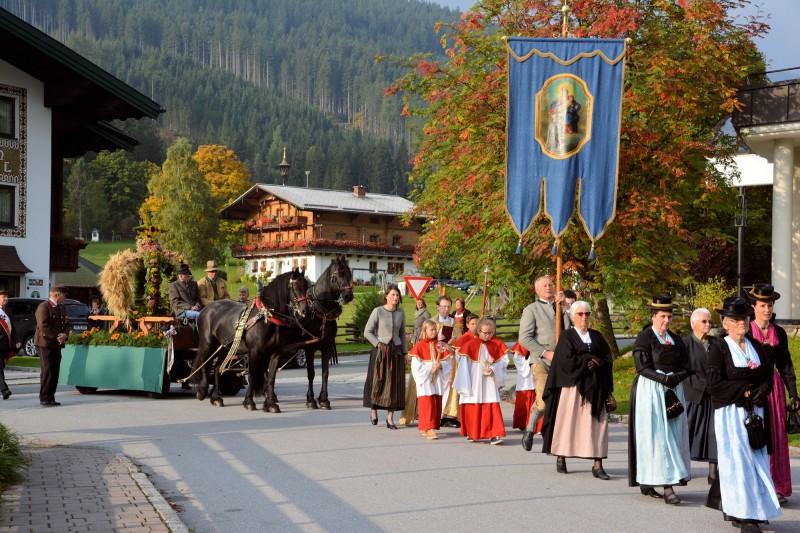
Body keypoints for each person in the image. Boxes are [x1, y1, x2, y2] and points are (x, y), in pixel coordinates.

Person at [705, 297, 781, 532]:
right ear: (726, 323)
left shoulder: (755, 345)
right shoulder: (719, 347)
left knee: (757, 462)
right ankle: (743, 514)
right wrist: (745, 392)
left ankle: (754, 510)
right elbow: (714, 385)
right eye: (737, 319)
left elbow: (768, 375)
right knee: (738, 463)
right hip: (731, 415)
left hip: (756, 413)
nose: (743, 323)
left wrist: (762, 391)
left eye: (745, 318)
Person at [627, 295, 691, 504]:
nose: (666, 320)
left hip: (673, 390)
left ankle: (656, 479)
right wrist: (663, 378)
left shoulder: (676, 340)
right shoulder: (645, 337)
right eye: (662, 316)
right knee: (656, 437)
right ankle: (666, 486)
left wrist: (675, 378)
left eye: (669, 316)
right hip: (651, 390)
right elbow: (641, 367)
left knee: (673, 435)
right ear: (653, 316)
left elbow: (687, 367)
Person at [541, 301, 613, 479]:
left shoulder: (597, 336)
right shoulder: (567, 336)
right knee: (568, 424)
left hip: (596, 387)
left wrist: (598, 362)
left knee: (598, 425)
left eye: (587, 314)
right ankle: (561, 456)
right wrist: (588, 359)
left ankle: (598, 464)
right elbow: (564, 361)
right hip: (573, 388)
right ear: (573, 317)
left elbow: (607, 356)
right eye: (580, 314)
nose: (584, 317)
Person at [747, 283, 800, 505]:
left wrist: (794, 395)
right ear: (754, 306)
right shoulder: (747, 329)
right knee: (757, 436)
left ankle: (777, 487)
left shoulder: (778, 331)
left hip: (775, 391)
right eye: (762, 305)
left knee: (777, 438)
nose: (766, 310)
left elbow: (786, 364)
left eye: (769, 305)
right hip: (753, 389)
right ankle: (756, 485)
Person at [519, 275, 571, 451]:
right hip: (541, 360)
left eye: (551, 284)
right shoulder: (531, 309)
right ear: (537, 290)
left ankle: (558, 435)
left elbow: (571, 329)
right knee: (543, 399)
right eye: (545, 285)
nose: (549, 287)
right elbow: (524, 338)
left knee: (563, 399)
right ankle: (530, 429)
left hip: (562, 360)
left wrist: (565, 307)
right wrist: (545, 353)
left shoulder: (561, 307)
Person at [453, 317, 509, 444]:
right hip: (473, 381)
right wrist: (465, 383)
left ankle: (495, 434)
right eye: (485, 332)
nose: (488, 335)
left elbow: (502, 363)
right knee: (473, 405)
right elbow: (463, 365)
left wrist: (494, 368)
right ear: (478, 331)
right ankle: (473, 433)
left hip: (488, 381)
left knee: (491, 405)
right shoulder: (468, 346)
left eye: (490, 333)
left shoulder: (494, 346)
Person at [682, 308, 719, 485]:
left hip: (715, 395)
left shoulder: (716, 343)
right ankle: (682, 470)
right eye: (704, 321)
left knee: (715, 433)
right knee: (687, 432)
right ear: (693, 323)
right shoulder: (685, 344)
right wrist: (703, 386)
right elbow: (683, 371)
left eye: (710, 321)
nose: (708, 324)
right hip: (694, 395)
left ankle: (713, 473)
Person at [362, 285, 407, 429]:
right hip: (381, 350)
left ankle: (390, 418)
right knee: (378, 381)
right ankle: (373, 410)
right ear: (386, 296)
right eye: (393, 294)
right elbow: (367, 332)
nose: (395, 297)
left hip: (396, 351)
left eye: (397, 295)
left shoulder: (401, 313)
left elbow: (402, 335)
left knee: (394, 384)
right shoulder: (378, 311)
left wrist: (405, 353)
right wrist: (377, 344)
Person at [408, 319, 452, 440]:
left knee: (435, 402)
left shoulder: (439, 345)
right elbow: (416, 366)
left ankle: (427, 426)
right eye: (431, 330)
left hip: (437, 378)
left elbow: (448, 361)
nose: (434, 332)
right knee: (427, 404)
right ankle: (429, 428)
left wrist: (441, 365)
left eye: (435, 330)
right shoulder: (419, 346)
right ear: (425, 331)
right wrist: (429, 369)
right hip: (426, 380)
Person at [35, 286, 71, 407]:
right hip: (44, 343)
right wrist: (58, 336)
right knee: (48, 369)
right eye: (64, 295)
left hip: (56, 344)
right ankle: (44, 397)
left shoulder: (61, 307)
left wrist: (65, 335)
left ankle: (51, 397)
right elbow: (43, 325)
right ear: (57, 294)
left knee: (55, 370)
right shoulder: (43, 307)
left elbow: (67, 324)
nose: (65, 298)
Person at [399, 298, 431, 427]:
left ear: (423, 303)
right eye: (417, 302)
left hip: (421, 337)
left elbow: (428, 325)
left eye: (420, 302)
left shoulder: (425, 313)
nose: (419, 304)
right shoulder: (416, 313)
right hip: (416, 337)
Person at [435, 295, 460, 428]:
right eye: (443, 306)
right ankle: (436, 415)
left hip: (451, 358)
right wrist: (436, 337)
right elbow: (424, 338)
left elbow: (460, 338)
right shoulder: (432, 321)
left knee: (451, 386)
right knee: (440, 386)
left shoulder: (454, 322)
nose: (446, 309)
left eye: (448, 306)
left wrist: (454, 340)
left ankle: (449, 416)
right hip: (438, 357)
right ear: (438, 307)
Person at [509, 342, 536, 432]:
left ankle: (536, 424)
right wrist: (530, 361)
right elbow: (517, 358)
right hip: (525, 379)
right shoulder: (522, 342)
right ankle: (523, 422)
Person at [0, 289, 20, 400]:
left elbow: (12, 326)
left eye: (7, 297)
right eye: (4, 296)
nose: (6, 299)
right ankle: (4, 390)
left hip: (5, 345)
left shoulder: (7, 310)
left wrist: (16, 340)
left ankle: (3, 390)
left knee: (1, 367)